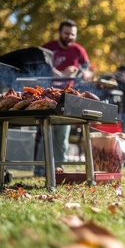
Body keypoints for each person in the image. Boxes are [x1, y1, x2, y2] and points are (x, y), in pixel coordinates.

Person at [35, 19, 92, 176]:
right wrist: (62, 74)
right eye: (66, 33)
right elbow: (42, 69)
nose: (69, 37)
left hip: (68, 98)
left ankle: (59, 170)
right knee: (46, 133)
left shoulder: (79, 50)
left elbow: (88, 70)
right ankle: (40, 168)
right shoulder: (48, 48)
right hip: (47, 96)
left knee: (62, 136)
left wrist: (86, 74)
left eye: (72, 34)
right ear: (60, 33)